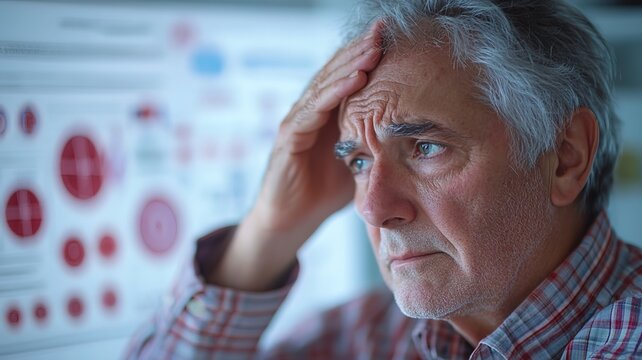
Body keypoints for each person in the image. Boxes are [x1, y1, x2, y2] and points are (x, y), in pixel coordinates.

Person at [126, 0, 642, 358]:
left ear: (566, 157)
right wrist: (268, 229)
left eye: (426, 147)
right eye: (358, 162)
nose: (371, 209)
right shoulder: (368, 337)